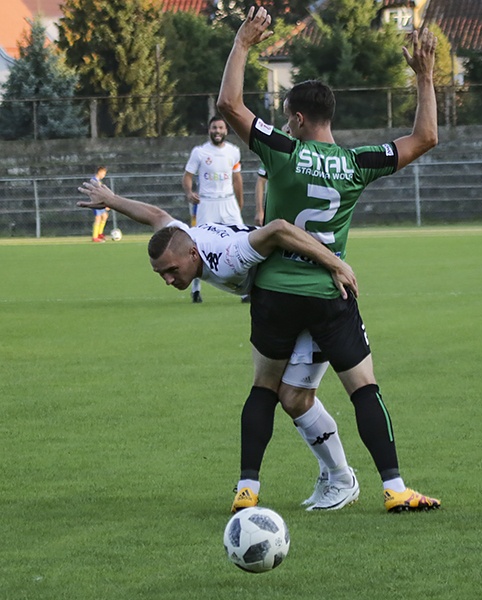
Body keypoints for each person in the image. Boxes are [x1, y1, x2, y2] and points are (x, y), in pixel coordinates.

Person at [217, 6, 441, 513]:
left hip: (275, 290)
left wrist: (244, 43)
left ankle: (247, 489)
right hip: (330, 292)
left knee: (265, 388)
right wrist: (425, 76)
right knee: (363, 387)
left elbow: (228, 103)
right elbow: (426, 137)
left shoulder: (283, 150)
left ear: (296, 118)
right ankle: (395, 488)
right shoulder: (356, 163)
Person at [76, 179, 361, 512]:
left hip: (312, 295)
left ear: (192, 254)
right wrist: (111, 199)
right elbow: (156, 215)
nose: (168, 280)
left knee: (295, 397)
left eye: (171, 270)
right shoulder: (183, 238)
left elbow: (277, 230)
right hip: (284, 304)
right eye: (161, 274)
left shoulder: (227, 259)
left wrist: (335, 263)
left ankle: (342, 479)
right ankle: (334, 476)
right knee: (292, 398)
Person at [183, 115, 246, 303]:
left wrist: (239, 202)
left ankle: (245, 291)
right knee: (197, 244)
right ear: (209, 130)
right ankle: (195, 290)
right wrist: (188, 192)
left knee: (241, 242)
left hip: (228, 203)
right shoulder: (200, 152)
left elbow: (237, 179)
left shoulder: (233, 151)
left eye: (220, 128)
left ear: (226, 131)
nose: (217, 131)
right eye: (214, 128)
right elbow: (187, 176)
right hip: (207, 203)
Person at [90, 166, 109, 242]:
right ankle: (94, 237)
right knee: (98, 218)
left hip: (100, 201)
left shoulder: (98, 181)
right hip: (96, 202)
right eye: (103, 174)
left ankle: (99, 234)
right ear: (99, 172)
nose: (104, 176)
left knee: (104, 216)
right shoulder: (94, 180)